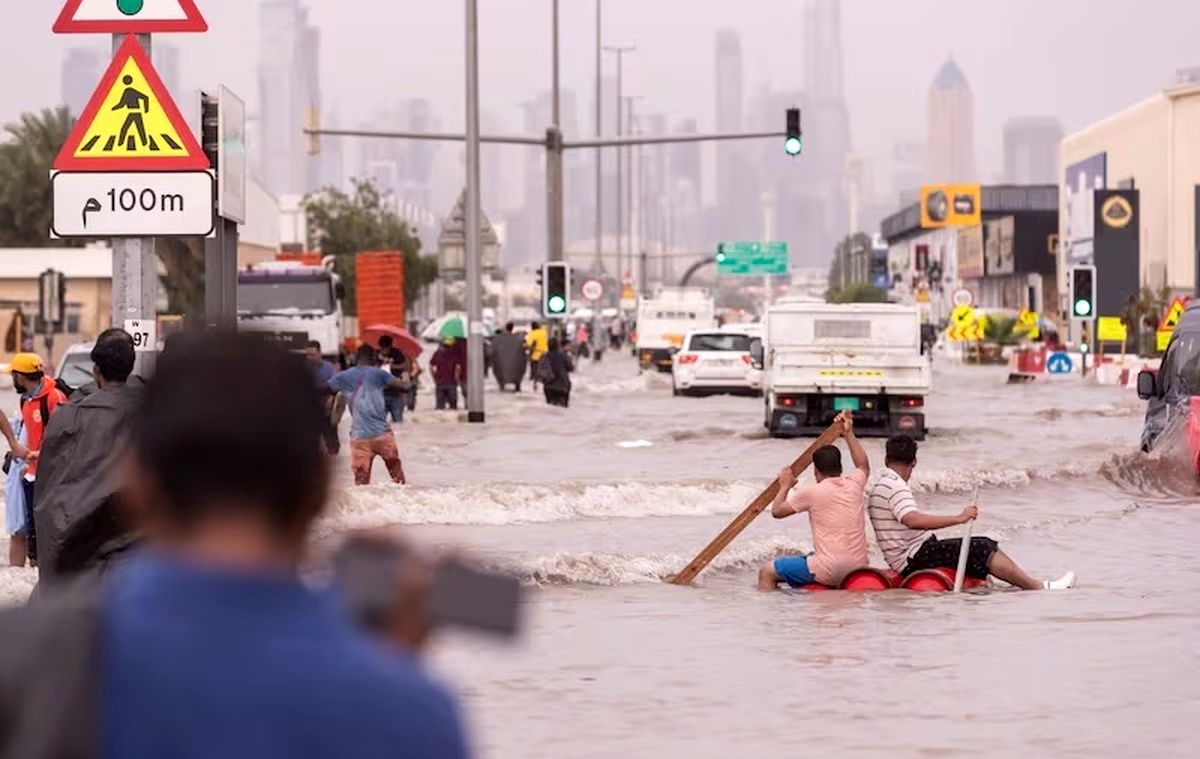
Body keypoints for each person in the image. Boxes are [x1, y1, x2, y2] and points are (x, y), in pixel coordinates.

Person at [0, 331, 469, 758]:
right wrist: (386, 672)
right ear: (320, 493)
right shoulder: (409, 712)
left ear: (140, 486)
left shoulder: (24, 657)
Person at [868, 434, 1076, 590]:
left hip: (912, 554)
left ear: (886, 460)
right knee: (982, 546)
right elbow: (911, 519)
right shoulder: (895, 486)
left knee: (972, 551)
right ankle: (1040, 587)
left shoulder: (883, 483)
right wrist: (959, 518)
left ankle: (1013, 585)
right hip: (913, 558)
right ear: (914, 462)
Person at [34, 329, 143, 585]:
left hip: (83, 555)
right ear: (131, 365)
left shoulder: (68, 417)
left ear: (95, 370)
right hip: (136, 553)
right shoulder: (151, 413)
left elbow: (49, 491)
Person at [757, 412, 870, 590]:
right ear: (840, 468)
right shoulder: (854, 484)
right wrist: (848, 432)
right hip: (858, 568)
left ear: (816, 471)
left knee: (767, 571)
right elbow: (863, 464)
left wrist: (785, 485)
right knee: (811, 555)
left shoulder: (813, 491)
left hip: (831, 571)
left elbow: (777, 511)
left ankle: (773, 612)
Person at [9, 353, 68, 565]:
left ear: (20, 377)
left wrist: (37, 456)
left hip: (51, 478)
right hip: (32, 476)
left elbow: (64, 440)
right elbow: (32, 437)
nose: (12, 381)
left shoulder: (55, 398)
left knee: (48, 535)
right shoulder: (27, 400)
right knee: (33, 539)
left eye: (13, 376)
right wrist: (27, 465)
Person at [329, 345, 408, 486]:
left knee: (361, 482)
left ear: (356, 358)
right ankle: (405, 504)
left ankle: (363, 507)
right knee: (397, 476)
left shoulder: (343, 377)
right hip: (382, 434)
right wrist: (406, 373)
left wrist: (333, 422)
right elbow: (404, 387)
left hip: (359, 438)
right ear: (373, 358)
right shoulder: (379, 374)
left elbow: (336, 401)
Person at [305, 340, 342, 454]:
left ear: (319, 353)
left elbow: (336, 386)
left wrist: (332, 398)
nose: (310, 357)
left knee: (333, 445)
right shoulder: (302, 369)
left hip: (326, 410)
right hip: (309, 412)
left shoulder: (329, 368)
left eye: (312, 354)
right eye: (308, 355)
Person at [377, 335, 415, 424]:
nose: (384, 351)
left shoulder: (397, 353)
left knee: (398, 421)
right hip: (381, 393)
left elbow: (405, 366)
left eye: (386, 349)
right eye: (382, 349)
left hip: (396, 392)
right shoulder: (376, 355)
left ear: (390, 346)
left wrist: (392, 366)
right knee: (380, 422)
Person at [491, 322, 526, 392]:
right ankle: (517, 385)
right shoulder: (518, 338)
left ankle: (502, 385)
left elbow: (492, 350)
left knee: (499, 370)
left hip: (501, 362)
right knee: (518, 370)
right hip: (516, 362)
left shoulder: (498, 338)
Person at [538, 338, 574, 408]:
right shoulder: (564, 356)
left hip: (549, 386)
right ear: (558, 346)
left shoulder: (544, 356)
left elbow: (539, 371)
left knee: (550, 409)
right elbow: (571, 368)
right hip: (562, 386)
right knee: (562, 410)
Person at [430, 338, 462, 411]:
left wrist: (434, 377)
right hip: (451, 382)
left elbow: (431, 366)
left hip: (440, 382)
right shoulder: (455, 354)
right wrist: (457, 379)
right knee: (453, 407)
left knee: (439, 408)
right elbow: (458, 368)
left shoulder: (437, 353)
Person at [525, 321, 549, 389]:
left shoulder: (533, 334)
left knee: (535, 372)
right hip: (545, 354)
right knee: (544, 371)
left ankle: (535, 385)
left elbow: (528, 344)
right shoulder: (544, 332)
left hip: (536, 355)